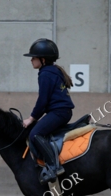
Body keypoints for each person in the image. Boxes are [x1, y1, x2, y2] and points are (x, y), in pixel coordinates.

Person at [22, 38, 75, 184]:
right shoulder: (53, 71)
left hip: (58, 113)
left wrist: (31, 118)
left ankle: (53, 167)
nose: (31, 60)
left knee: (35, 134)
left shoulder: (45, 74)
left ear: (43, 60)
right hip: (63, 112)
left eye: (34, 57)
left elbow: (42, 101)